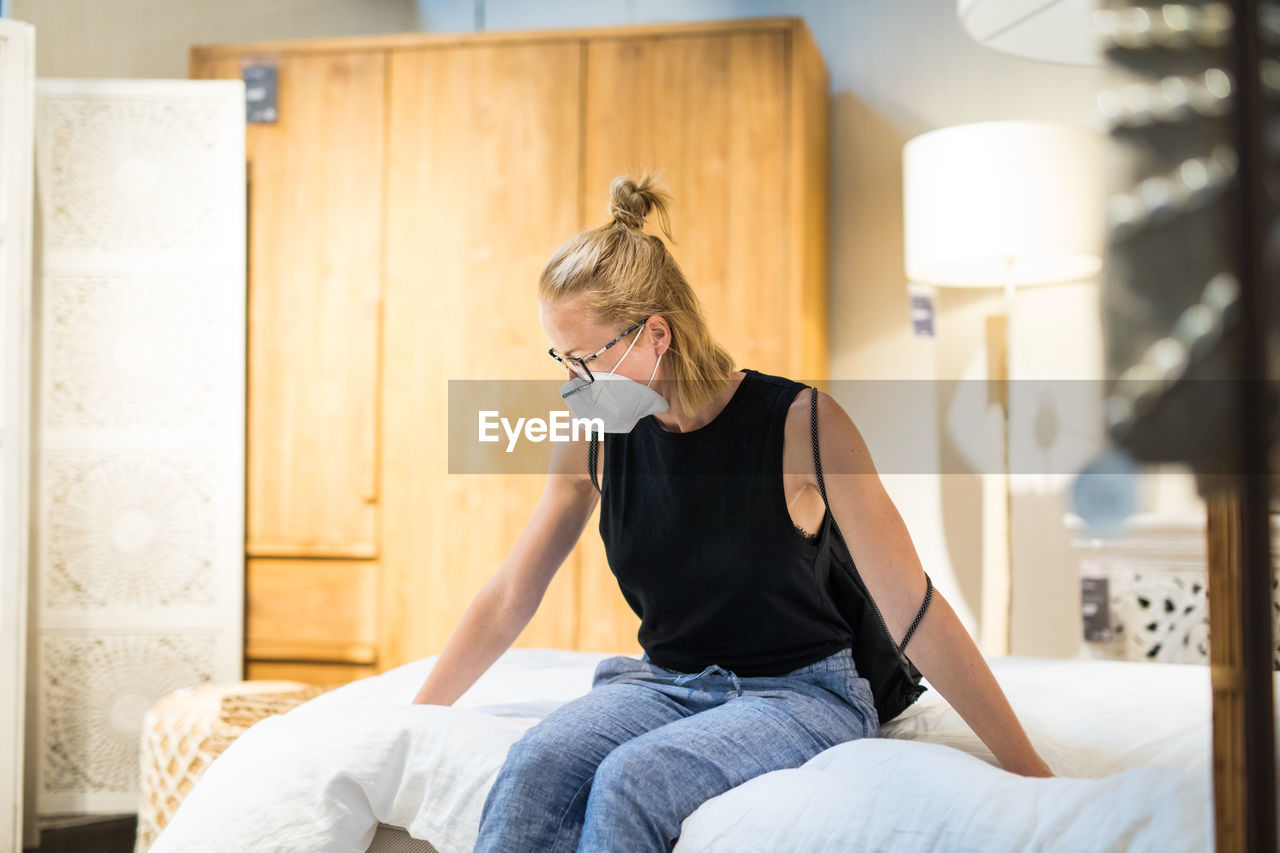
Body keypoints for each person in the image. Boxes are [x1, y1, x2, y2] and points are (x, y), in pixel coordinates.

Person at [411, 172, 1054, 851]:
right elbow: (514, 590)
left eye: (585, 360)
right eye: (561, 359)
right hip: (664, 681)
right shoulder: (593, 435)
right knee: (534, 764)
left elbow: (913, 608)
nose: (572, 383)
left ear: (655, 334)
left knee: (635, 778)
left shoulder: (803, 426)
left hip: (800, 694)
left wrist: (1030, 769)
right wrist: (420, 715)